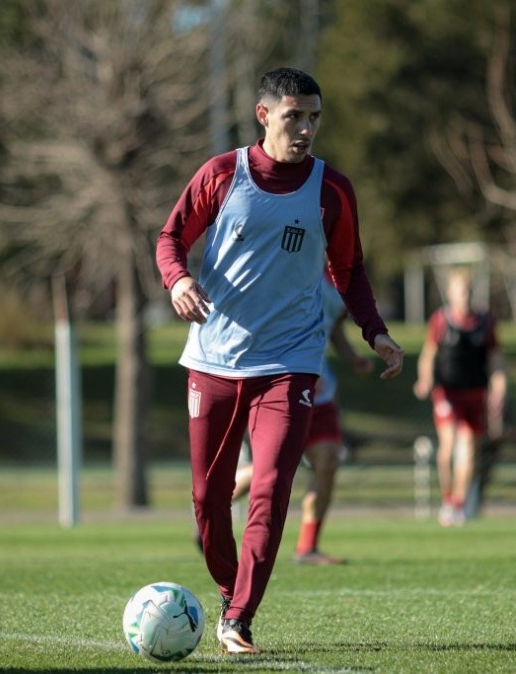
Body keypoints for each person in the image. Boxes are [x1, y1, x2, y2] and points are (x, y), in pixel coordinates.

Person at [155, 67, 404, 655]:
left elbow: (349, 269)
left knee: (270, 485)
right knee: (208, 499)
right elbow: (170, 239)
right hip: (214, 358)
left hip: (291, 361)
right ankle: (229, 590)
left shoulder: (331, 189)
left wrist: (376, 333)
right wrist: (178, 280)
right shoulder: (222, 174)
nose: (306, 128)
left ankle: (239, 617)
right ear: (264, 115)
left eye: (314, 117)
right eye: (295, 116)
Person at [231, 272, 374, 565]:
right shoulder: (285, 266)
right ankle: (211, 509)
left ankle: (308, 547)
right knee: (270, 468)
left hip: (321, 393)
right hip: (281, 387)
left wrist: (352, 358)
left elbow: (333, 328)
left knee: (328, 460)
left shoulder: (340, 280)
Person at [413, 268, 507, 526]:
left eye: (468, 291)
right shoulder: (441, 320)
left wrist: (499, 388)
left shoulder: (485, 322)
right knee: (448, 444)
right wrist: (425, 380)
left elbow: (496, 360)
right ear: (451, 293)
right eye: (461, 291)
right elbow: (428, 354)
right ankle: (447, 498)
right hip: (448, 392)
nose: (465, 296)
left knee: (468, 450)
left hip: (475, 392)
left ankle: (459, 503)